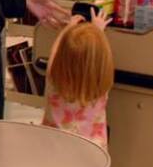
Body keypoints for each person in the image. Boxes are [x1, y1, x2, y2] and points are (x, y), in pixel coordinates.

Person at [43, 9, 114, 148]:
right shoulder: (101, 82)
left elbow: (55, 52)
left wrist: (68, 29)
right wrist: (98, 30)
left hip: (53, 148)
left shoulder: (53, 78)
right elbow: (101, 57)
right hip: (92, 151)